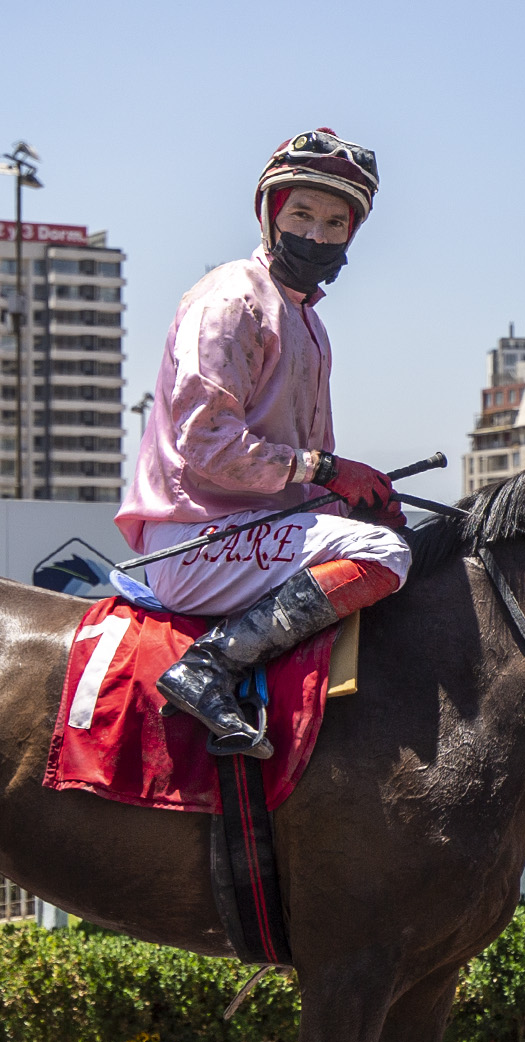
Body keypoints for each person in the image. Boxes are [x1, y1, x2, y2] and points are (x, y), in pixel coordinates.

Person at [115, 128, 411, 759]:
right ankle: (209, 667)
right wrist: (329, 470)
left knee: (386, 536)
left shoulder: (309, 322)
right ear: (270, 215)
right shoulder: (233, 299)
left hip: (252, 531)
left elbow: (304, 480)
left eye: (335, 223)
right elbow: (208, 444)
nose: (316, 235)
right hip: (196, 540)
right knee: (385, 556)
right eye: (301, 214)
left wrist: (354, 501)